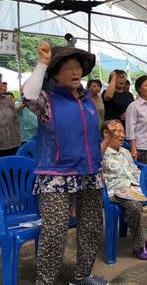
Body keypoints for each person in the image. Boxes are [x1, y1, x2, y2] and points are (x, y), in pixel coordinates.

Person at [22, 42, 107, 285]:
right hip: (56, 174)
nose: (75, 71)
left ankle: (81, 277)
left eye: (78, 67)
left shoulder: (88, 100)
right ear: (56, 74)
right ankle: (45, 281)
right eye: (68, 67)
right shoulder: (47, 100)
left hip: (90, 173)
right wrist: (42, 62)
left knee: (91, 228)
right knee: (55, 233)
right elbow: (28, 95)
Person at [101, 119, 147, 260]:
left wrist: (146, 186)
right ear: (106, 133)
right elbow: (94, 162)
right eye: (118, 131)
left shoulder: (125, 152)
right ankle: (138, 246)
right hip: (114, 191)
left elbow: (134, 170)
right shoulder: (101, 152)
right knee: (134, 207)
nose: (122, 135)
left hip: (134, 188)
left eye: (123, 131)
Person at [0, 74, 21, 156]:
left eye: (1, 82)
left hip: (14, 144)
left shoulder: (8, 99)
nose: (1, 85)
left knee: (14, 167)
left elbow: (16, 119)